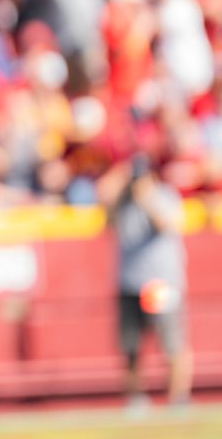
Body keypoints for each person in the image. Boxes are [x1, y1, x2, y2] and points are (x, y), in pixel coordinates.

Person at [101, 153, 193, 412]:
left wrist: (146, 199)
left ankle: (178, 397)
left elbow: (167, 225)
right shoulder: (123, 202)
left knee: (171, 342)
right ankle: (135, 399)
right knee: (131, 345)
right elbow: (106, 220)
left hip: (160, 282)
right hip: (130, 281)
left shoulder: (164, 196)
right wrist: (116, 188)